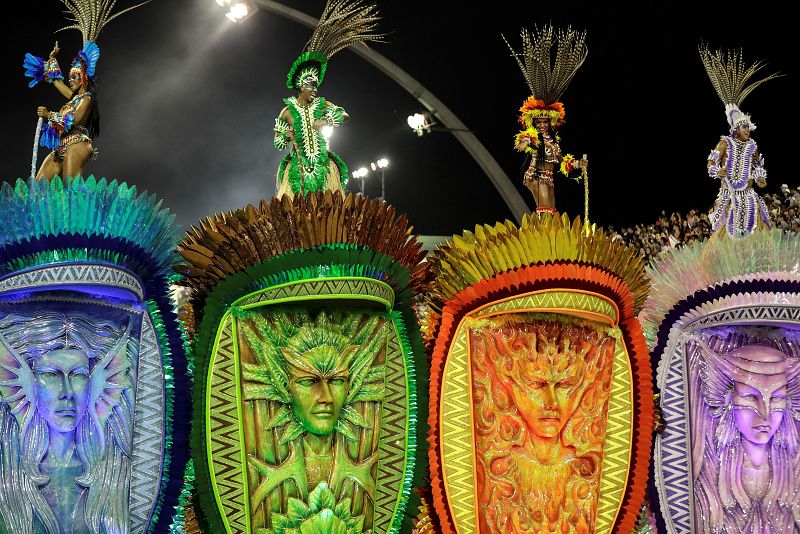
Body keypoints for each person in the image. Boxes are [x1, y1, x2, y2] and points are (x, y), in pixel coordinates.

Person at [470, 317, 615, 532]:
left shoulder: (588, 468)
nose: (552, 403)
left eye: (564, 385)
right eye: (537, 385)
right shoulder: (496, 470)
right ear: (510, 385)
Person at [0, 312, 133, 534]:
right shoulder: (9, 476)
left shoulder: (114, 473)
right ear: (22, 382)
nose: (67, 393)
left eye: (78, 375)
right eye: (51, 375)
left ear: (99, 383)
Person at [274, 0, 382, 197]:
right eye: (310, 85)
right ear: (300, 85)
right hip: (298, 167)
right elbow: (278, 141)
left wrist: (324, 121)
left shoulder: (322, 105)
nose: (314, 88)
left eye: (316, 84)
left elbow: (344, 114)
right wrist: (286, 137)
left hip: (323, 165)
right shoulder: (287, 112)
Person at [692, 341, 800, 533]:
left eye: (776, 398)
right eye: (751, 397)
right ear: (727, 400)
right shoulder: (706, 470)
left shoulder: (794, 470)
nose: (765, 414)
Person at [505, 25, 589, 213]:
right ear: (534, 122)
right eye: (539, 122)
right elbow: (524, 141)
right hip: (536, 176)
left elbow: (563, 163)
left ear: (551, 122)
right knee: (545, 212)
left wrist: (578, 164)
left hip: (549, 177)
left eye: (545, 121)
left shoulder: (553, 141)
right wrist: (524, 142)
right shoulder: (533, 137)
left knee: (552, 213)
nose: (542, 124)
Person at [700, 45, 781, 236]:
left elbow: (756, 165)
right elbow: (710, 162)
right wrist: (716, 170)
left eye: (749, 128)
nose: (748, 130)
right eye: (745, 127)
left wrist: (760, 177)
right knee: (727, 238)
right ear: (736, 129)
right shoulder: (724, 143)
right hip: (729, 197)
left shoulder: (753, 146)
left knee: (756, 233)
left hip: (749, 197)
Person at [25, 41, 99, 181]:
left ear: (83, 77)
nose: (70, 80)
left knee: (70, 186)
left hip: (78, 142)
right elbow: (58, 82)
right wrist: (52, 59)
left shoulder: (87, 99)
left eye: (74, 77)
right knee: (38, 186)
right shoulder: (74, 98)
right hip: (62, 145)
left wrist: (49, 115)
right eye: (69, 77)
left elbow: (73, 121)